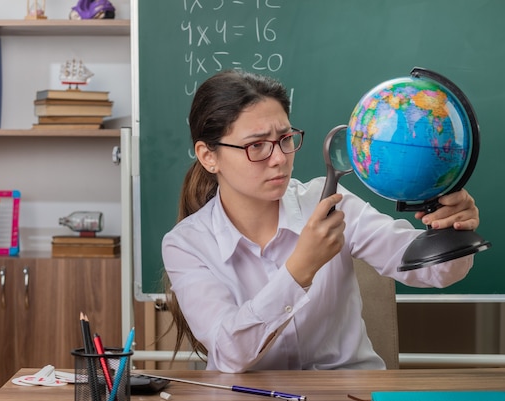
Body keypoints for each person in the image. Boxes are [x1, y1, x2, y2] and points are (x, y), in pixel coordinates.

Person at [161, 69, 480, 373]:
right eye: (257, 145)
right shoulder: (186, 244)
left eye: (286, 138)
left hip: (348, 398)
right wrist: (300, 268)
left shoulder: (330, 203)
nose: (279, 158)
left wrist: (452, 231)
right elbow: (229, 351)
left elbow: (436, 271)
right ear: (208, 156)